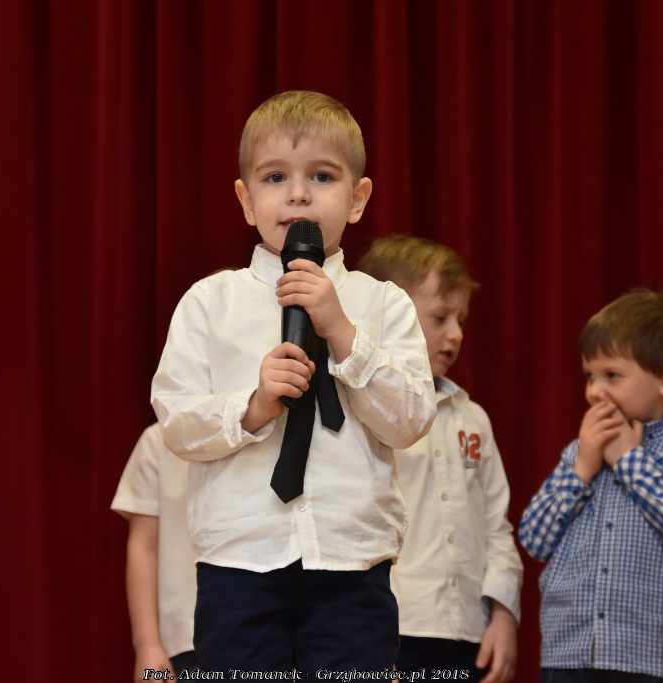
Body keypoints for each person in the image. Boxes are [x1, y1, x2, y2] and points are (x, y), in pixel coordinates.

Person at [150, 90, 436, 672]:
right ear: (246, 200)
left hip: (352, 565)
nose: (299, 194)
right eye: (275, 177)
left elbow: (411, 420)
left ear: (358, 199)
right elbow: (176, 421)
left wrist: (345, 335)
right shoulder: (210, 302)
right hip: (239, 565)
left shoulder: (384, 303)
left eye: (322, 177)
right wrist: (253, 406)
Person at [518, 289, 663, 682]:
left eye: (612, 375)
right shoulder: (580, 453)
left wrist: (630, 460)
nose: (594, 391)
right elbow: (534, 539)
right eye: (590, 376)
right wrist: (583, 468)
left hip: (654, 661)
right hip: (571, 656)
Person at [357, 235, 522, 682]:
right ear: (387, 315)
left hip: (467, 630)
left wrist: (503, 614)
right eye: (440, 317)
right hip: (393, 628)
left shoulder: (473, 419)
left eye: (461, 320)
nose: (457, 334)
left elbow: (496, 527)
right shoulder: (360, 411)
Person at [111, 423, 198, 679]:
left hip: (268, 631)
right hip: (186, 641)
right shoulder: (159, 439)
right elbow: (143, 547)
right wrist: (147, 645)